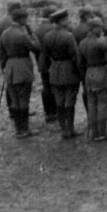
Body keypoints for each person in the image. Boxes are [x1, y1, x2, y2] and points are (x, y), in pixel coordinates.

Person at [0, 4, 42, 138]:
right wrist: (31, 33)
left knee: (14, 100)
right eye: (26, 19)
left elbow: (1, 54)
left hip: (10, 68)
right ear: (21, 19)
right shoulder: (22, 35)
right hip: (22, 67)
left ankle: (18, 129)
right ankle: (25, 129)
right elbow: (37, 48)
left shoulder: (4, 34)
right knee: (24, 99)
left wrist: (4, 68)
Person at [41, 8, 83, 139]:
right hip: (69, 70)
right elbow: (76, 57)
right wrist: (80, 73)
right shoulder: (68, 36)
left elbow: (45, 56)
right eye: (66, 19)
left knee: (59, 100)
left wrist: (49, 70)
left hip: (54, 70)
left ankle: (63, 129)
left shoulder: (47, 36)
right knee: (70, 100)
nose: (68, 21)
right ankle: (70, 129)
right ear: (62, 21)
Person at [78, 17, 107, 142]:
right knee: (102, 104)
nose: (101, 29)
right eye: (99, 27)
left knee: (92, 104)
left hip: (89, 74)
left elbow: (80, 63)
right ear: (93, 28)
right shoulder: (99, 42)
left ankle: (94, 133)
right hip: (101, 73)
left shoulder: (82, 43)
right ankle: (102, 132)